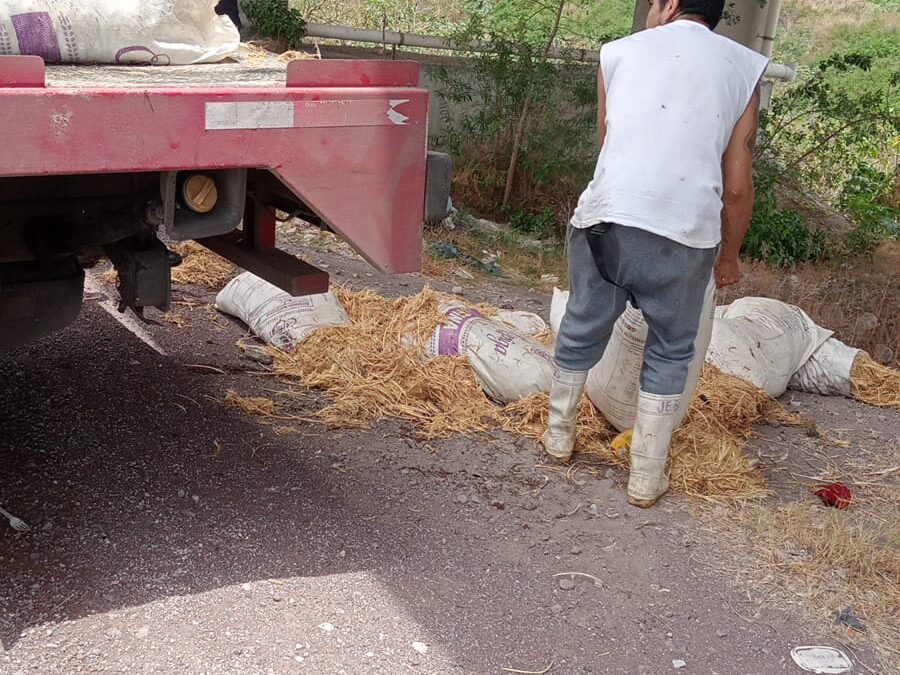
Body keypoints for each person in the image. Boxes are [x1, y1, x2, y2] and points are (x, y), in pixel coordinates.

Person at [541, 0, 769, 508]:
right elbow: (736, 185)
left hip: (607, 219)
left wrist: (647, 35)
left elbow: (609, 140)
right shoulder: (742, 68)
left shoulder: (618, 53)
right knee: (670, 347)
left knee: (582, 322)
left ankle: (558, 436)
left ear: (667, 5)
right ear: (718, 13)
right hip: (683, 232)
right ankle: (645, 476)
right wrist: (729, 255)